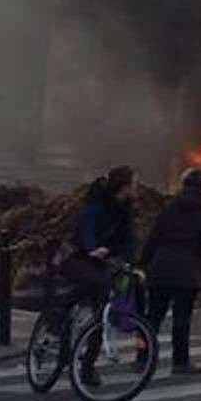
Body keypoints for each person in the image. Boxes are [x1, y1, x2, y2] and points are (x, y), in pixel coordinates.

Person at [140, 167, 201, 376]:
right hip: (187, 271)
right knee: (181, 319)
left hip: (160, 267)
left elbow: (153, 239)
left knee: (152, 317)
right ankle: (180, 363)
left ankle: (142, 358)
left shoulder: (169, 208)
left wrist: (142, 265)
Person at [62, 165, 138, 385]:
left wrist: (135, 263)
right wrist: (91, 248)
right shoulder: (97, 204)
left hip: (101, 260)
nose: (137, 188)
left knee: (101, 313)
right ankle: (59, 315)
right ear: (124, 186)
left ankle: (88, 367)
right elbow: (86, 227)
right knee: (97, 284)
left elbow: (129, 238)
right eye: (134, 183)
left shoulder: (125, 209)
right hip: (77, 257)